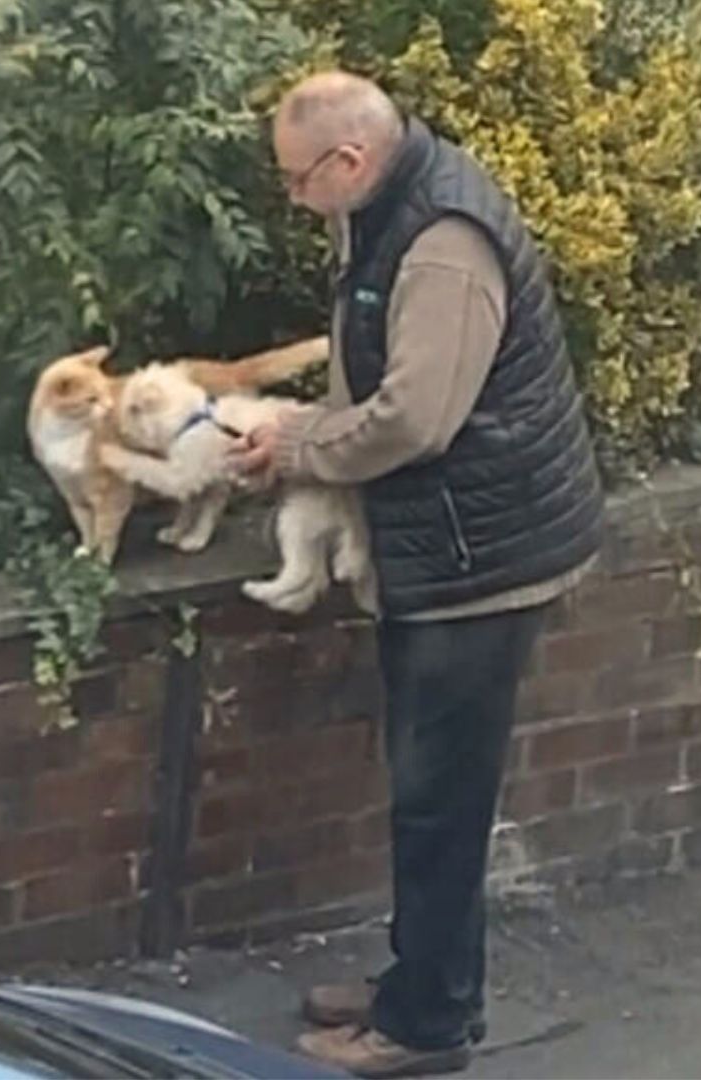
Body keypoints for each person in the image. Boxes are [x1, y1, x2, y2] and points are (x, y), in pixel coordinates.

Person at [231, 72, 605, 1077]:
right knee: (428, 791)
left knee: (441, 800)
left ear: (349, 161)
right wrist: (310, 427)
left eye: (298, 180)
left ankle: (426, 1025)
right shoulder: (390, 205)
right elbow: (380, 378)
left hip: (482, 563)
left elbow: (416, 418)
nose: (295, 199)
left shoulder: (442, 242)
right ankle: (418, 977)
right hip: (452, 545)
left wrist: (308, 447)